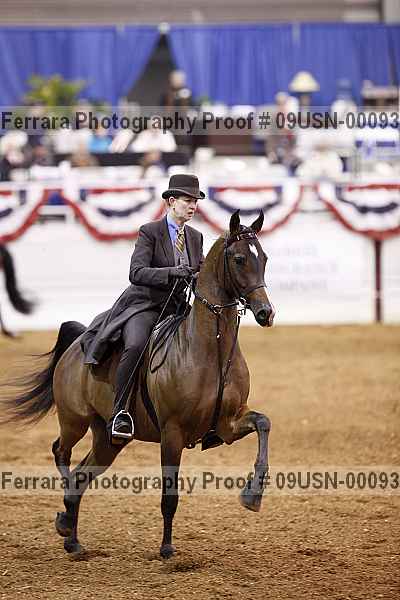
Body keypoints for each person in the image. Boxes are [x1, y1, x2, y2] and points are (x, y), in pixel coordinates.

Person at [81, 174, 205, 444]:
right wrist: (172, 272)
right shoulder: (150, 232)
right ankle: (120, 413)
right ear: (171, 202)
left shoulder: (196, 237)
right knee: (136, 345)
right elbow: (136, 272)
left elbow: (200, 275)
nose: (193, 206)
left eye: (195, 201)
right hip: (145, 306)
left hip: (177, 308)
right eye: (187, 200)